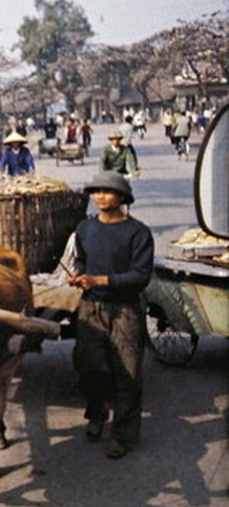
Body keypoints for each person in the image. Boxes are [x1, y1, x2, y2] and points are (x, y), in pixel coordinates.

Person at [68, 171, 153, 459]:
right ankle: (97, 412)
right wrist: (79, 274)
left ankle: (122, 435)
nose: (100, 197)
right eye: (96, 192)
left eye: (107, 191)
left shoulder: (138, 232)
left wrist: (101, 280)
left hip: (125, 308)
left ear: (123, 198)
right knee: (87, 364)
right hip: (91, 307)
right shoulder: (84, 228)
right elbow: (81, 259)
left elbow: (141, 276)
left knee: (127, 372)